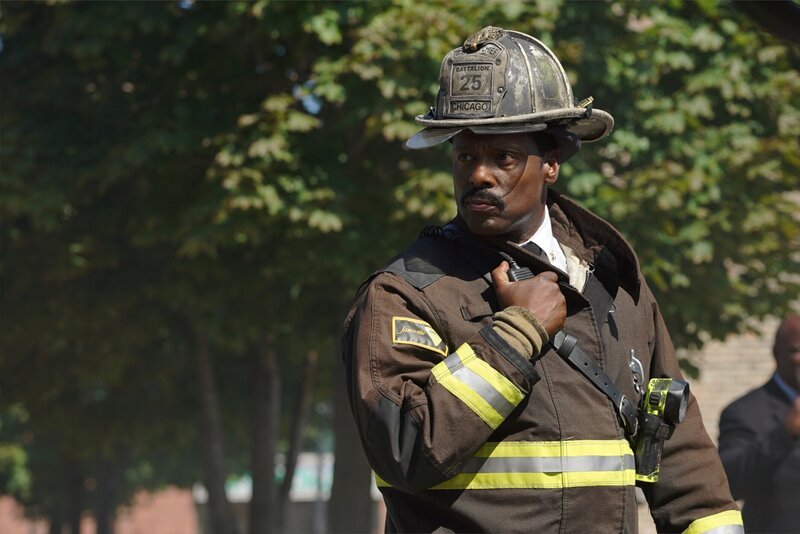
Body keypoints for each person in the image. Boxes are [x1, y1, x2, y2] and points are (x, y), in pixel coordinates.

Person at [341, 26, 742, 533]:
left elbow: (682, 462)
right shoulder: (409, 294)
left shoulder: (614, 285)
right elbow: (401, 450)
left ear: (551, 163)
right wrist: (515, 337)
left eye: (503, 157)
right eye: (466, 157)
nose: (480, 175)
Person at [718, 315, 800, 533]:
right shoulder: (744, 412)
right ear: (776, 353)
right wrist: (785, 432)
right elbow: (729, 483)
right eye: (797, 350)